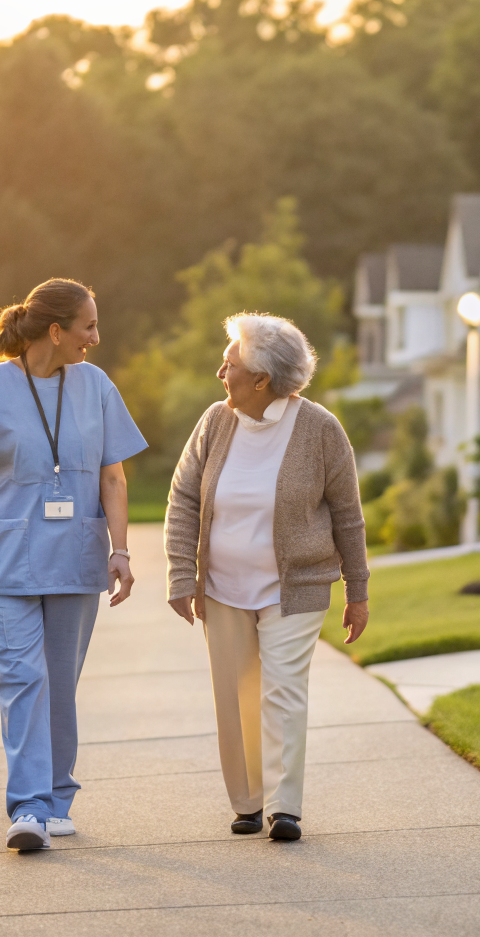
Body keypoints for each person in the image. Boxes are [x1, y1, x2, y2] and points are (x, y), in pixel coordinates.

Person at [0, 278, 147, 851]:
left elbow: (112, 477)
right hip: (3, 559)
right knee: (22, 679)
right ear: (55, 331)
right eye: (89, 327)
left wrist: (121, 550)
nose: (95, 338)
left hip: (73, 557)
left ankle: (57, 798)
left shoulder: (97, 386)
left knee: (59, 682)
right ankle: (29, 807)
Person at [165, 313, 369, 842]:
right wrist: (181, 575)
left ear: (261, 379)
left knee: (283, 692)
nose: (220, 373)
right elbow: (184, 498)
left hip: (295, 587)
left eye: (229, 365)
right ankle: (248, 803)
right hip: (222, 587)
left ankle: (284, 807)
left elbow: (347, 515)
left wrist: (357, 590)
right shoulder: (215, 422)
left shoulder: (320, 428)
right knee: (236, 696)